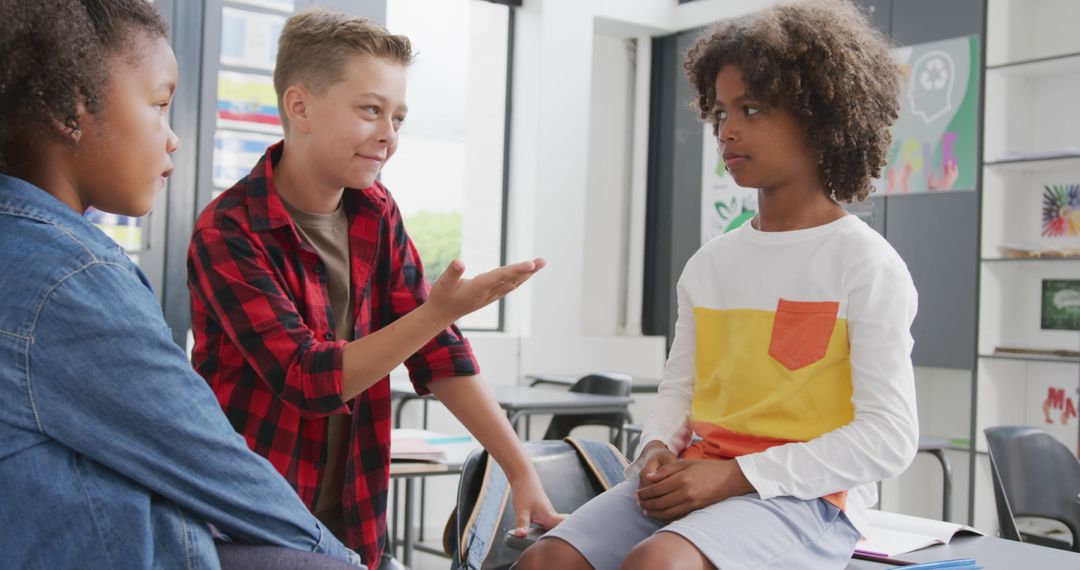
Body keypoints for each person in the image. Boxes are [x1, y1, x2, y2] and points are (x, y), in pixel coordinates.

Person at [519, 1, 919, 568]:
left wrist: (735, 477)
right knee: (546, 561)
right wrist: (657, 449)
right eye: (720, 113)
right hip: (696, 474)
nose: (727, 131)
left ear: (820, 117)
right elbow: (680, 392)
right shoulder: (711, 264)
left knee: (658, 563)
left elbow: (888, 436)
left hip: (809, 498)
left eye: (752, 110)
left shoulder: (865, 263)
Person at [186, 8, 562, 566]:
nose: (388, 136)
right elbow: (307, 377)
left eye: (399, 118)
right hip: (250, 521)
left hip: (356, 523)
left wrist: (519, 468)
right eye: (370, 110)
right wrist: (435, 314)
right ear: (300, 106)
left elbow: (439, 352)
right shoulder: (229, 230)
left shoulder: (376, 212)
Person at [0, 1, 363, 568]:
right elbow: (212, 461)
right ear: (73, 105)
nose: (172, 139)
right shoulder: (75, 280)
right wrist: (338, 557)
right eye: (159, 104)